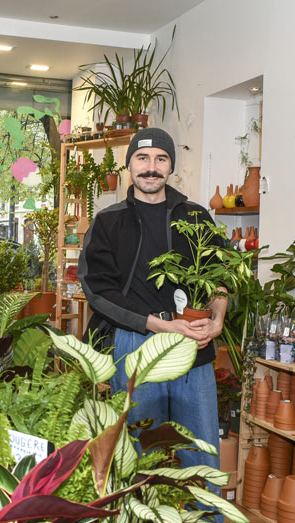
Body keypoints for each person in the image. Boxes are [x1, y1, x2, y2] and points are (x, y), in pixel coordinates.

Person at [79, 127, 225, 473]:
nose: (151, 167)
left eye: (160, 159)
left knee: (201, 450)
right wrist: (158, 324)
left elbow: (221, 276)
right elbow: (98, 291)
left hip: (194, 343)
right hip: (136, 343)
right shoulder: (108, 222)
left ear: (170, 166)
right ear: (129, 165)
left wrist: (217, 319)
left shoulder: (196, 217)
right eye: (142, 158)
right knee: (138, 449)